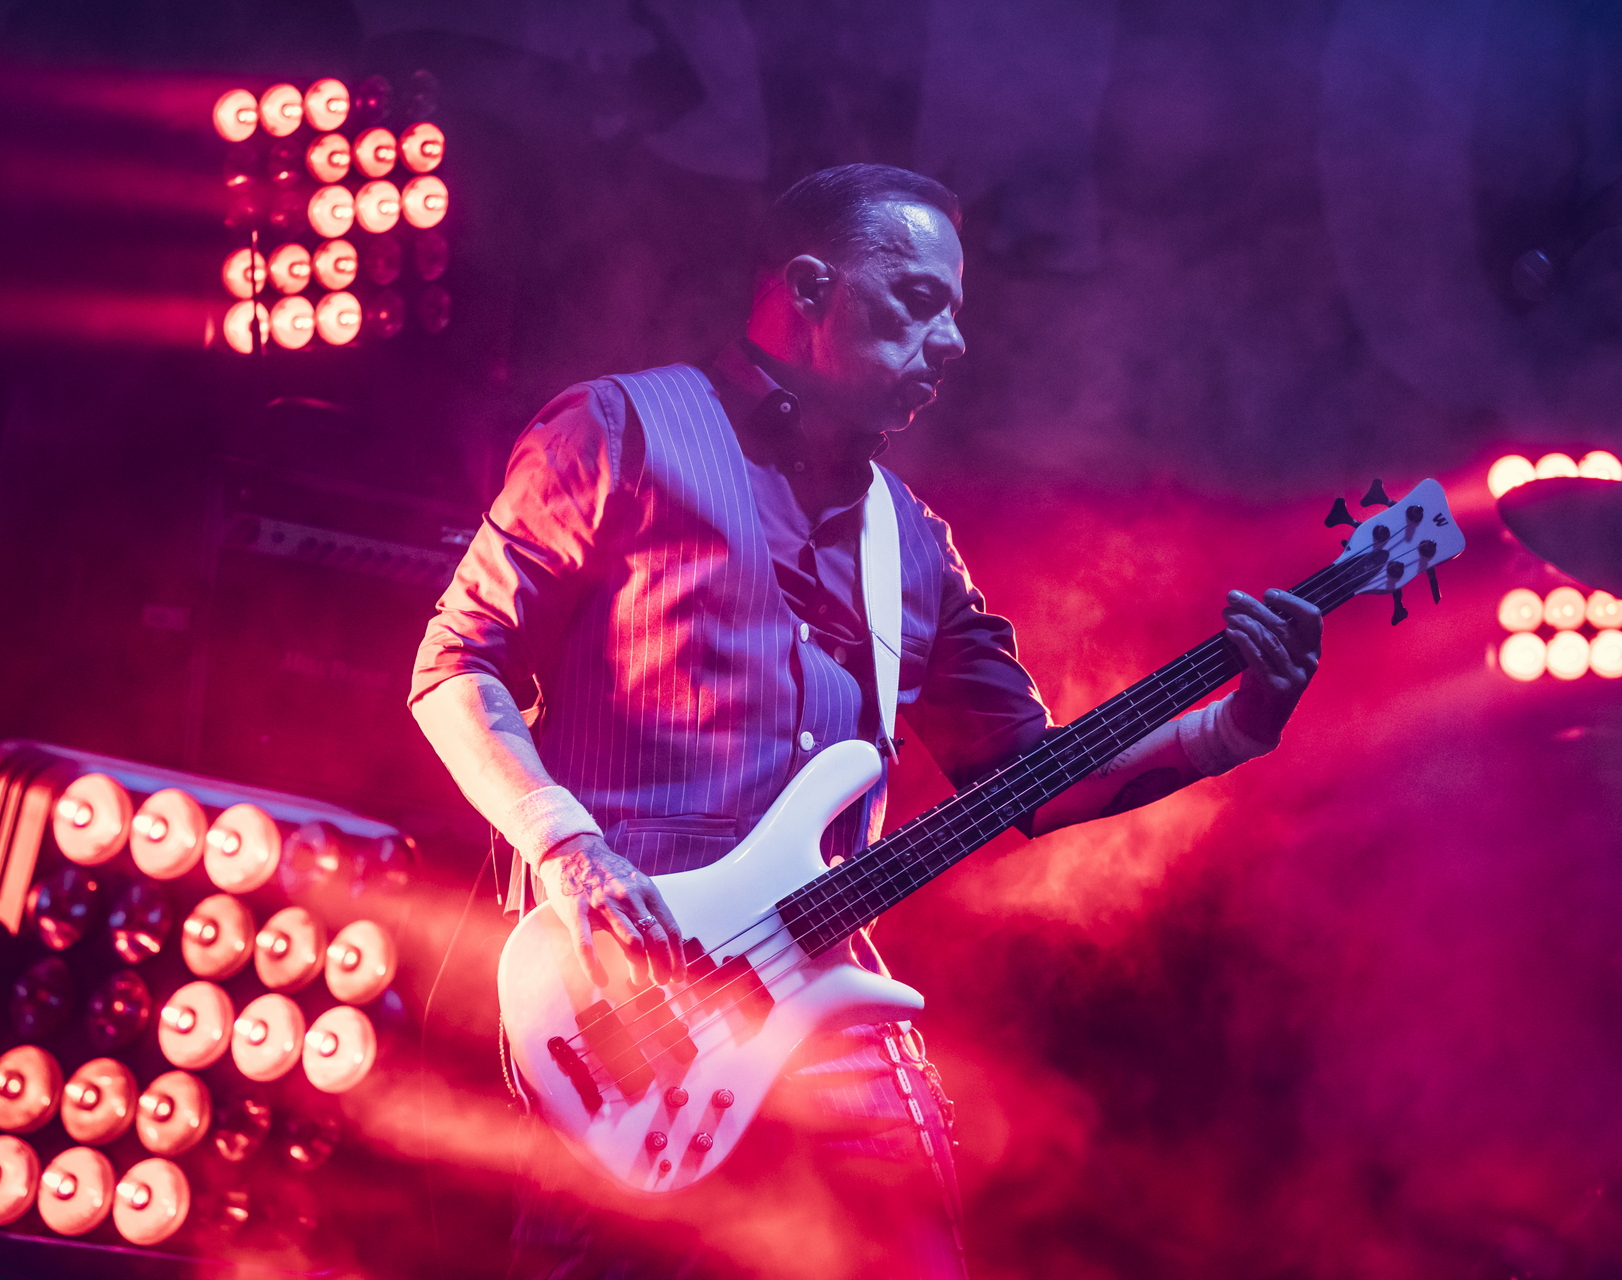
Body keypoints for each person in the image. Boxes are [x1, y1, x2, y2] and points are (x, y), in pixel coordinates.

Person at [409, 163, 1323, 1280]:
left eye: (958, 310)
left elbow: (1028, 777)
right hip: (625, 1013)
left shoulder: (914, 542)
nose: (954, 341)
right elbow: (454, 663)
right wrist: (569, 849)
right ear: (808, 289)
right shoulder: (620, 429)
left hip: (826, 1018)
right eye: (920, 300)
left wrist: (1232, 729)